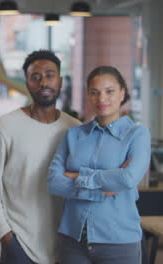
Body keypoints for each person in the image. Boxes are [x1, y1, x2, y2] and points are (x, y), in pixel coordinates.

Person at [48, 65, 150, 264]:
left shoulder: (137, 135)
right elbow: (53, 181)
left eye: (109, 91)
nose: (102, 99)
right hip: (72, 240)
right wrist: (101, 189)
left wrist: (77, 175)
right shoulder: (73, 135)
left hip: (119, 241)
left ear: (122, 93)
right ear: (88, 96)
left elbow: (127, 178)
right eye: (94, 93)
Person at [0, 50, 81, 264]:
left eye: (50, 75)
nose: (43, 82)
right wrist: (6, 236)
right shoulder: (5, 127)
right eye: (35, 77)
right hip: (19, 244)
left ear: (59, 80)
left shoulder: (74, 129)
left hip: (65, 245)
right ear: (27, 83)